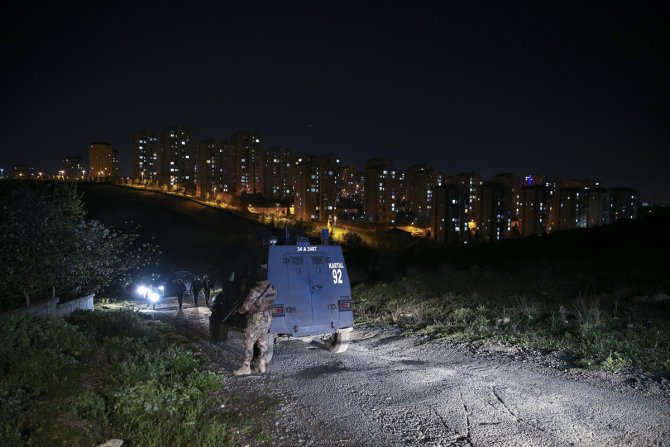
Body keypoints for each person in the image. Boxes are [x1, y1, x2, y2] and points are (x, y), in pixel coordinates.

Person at [233, 272, 277, 376]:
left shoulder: (255, 290)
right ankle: (262, 365)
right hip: (267, 318)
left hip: (256, 319)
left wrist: (239, 311)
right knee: (262, 340)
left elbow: (246, 306)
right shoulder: (273, 288)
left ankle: (246, 367)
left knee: (248, 341)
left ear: (258, 280)